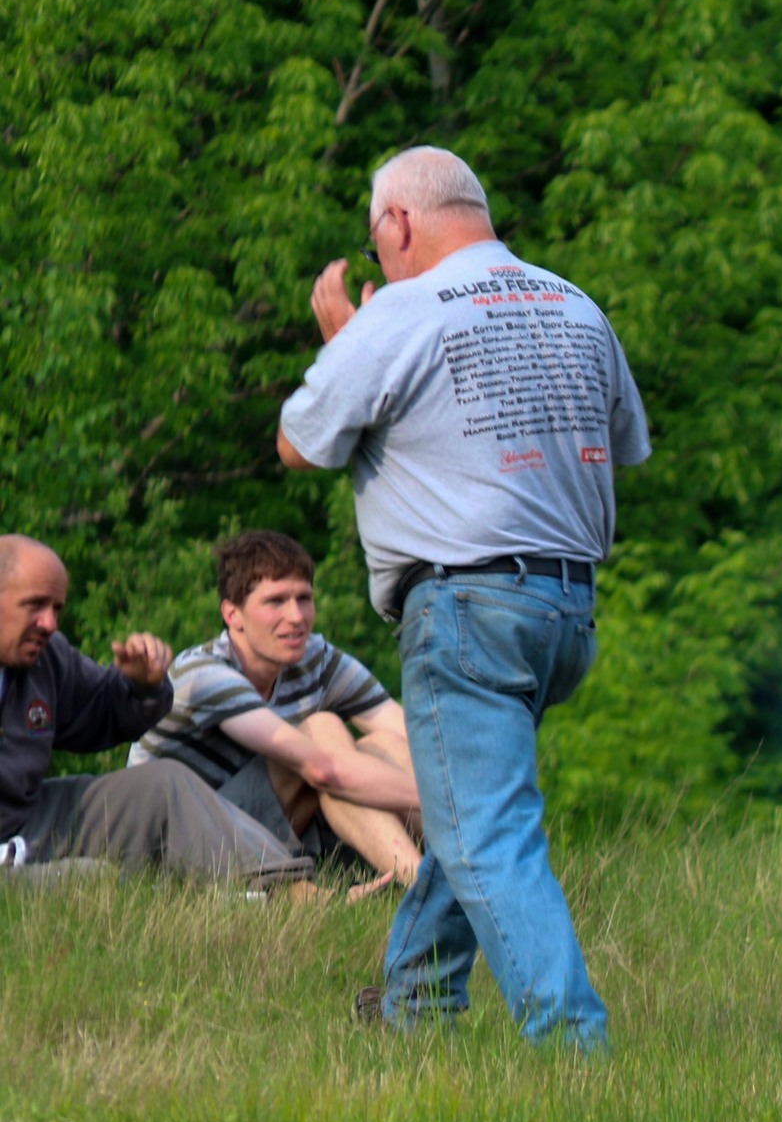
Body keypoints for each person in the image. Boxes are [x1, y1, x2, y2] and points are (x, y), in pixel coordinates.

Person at [277, 146, 650, 1049]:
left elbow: (301, 444)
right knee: (464, 806)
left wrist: (345, 342)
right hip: (566, 610)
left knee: (487, 833)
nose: (382, 262)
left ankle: (576, 1048)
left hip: (467, 609)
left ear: (398, 224)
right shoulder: (576, 306)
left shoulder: (401, 311)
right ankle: (415, 1010)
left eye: (378, 244)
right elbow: (625, 443)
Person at [0, 534, 315, 889]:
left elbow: (102, 712)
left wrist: (141, 685)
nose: (50, 624)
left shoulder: (46, 658)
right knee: (90, 881)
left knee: (163, 784)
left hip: (28, 820)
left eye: (56, 608)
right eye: (35, 605)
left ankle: (288, 890)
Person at [129, 530, 423, 900]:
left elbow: (409, 735)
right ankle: (422, 884)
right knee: (322, 733)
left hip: (260, 830)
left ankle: (462, 871)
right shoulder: (203, 675)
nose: (296, 616)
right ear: (232, 613)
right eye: (276, 601)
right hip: (173, 847)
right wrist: (440, 799)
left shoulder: (316, 658)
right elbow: (323, 770)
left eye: (304, 598)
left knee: (382, 745)